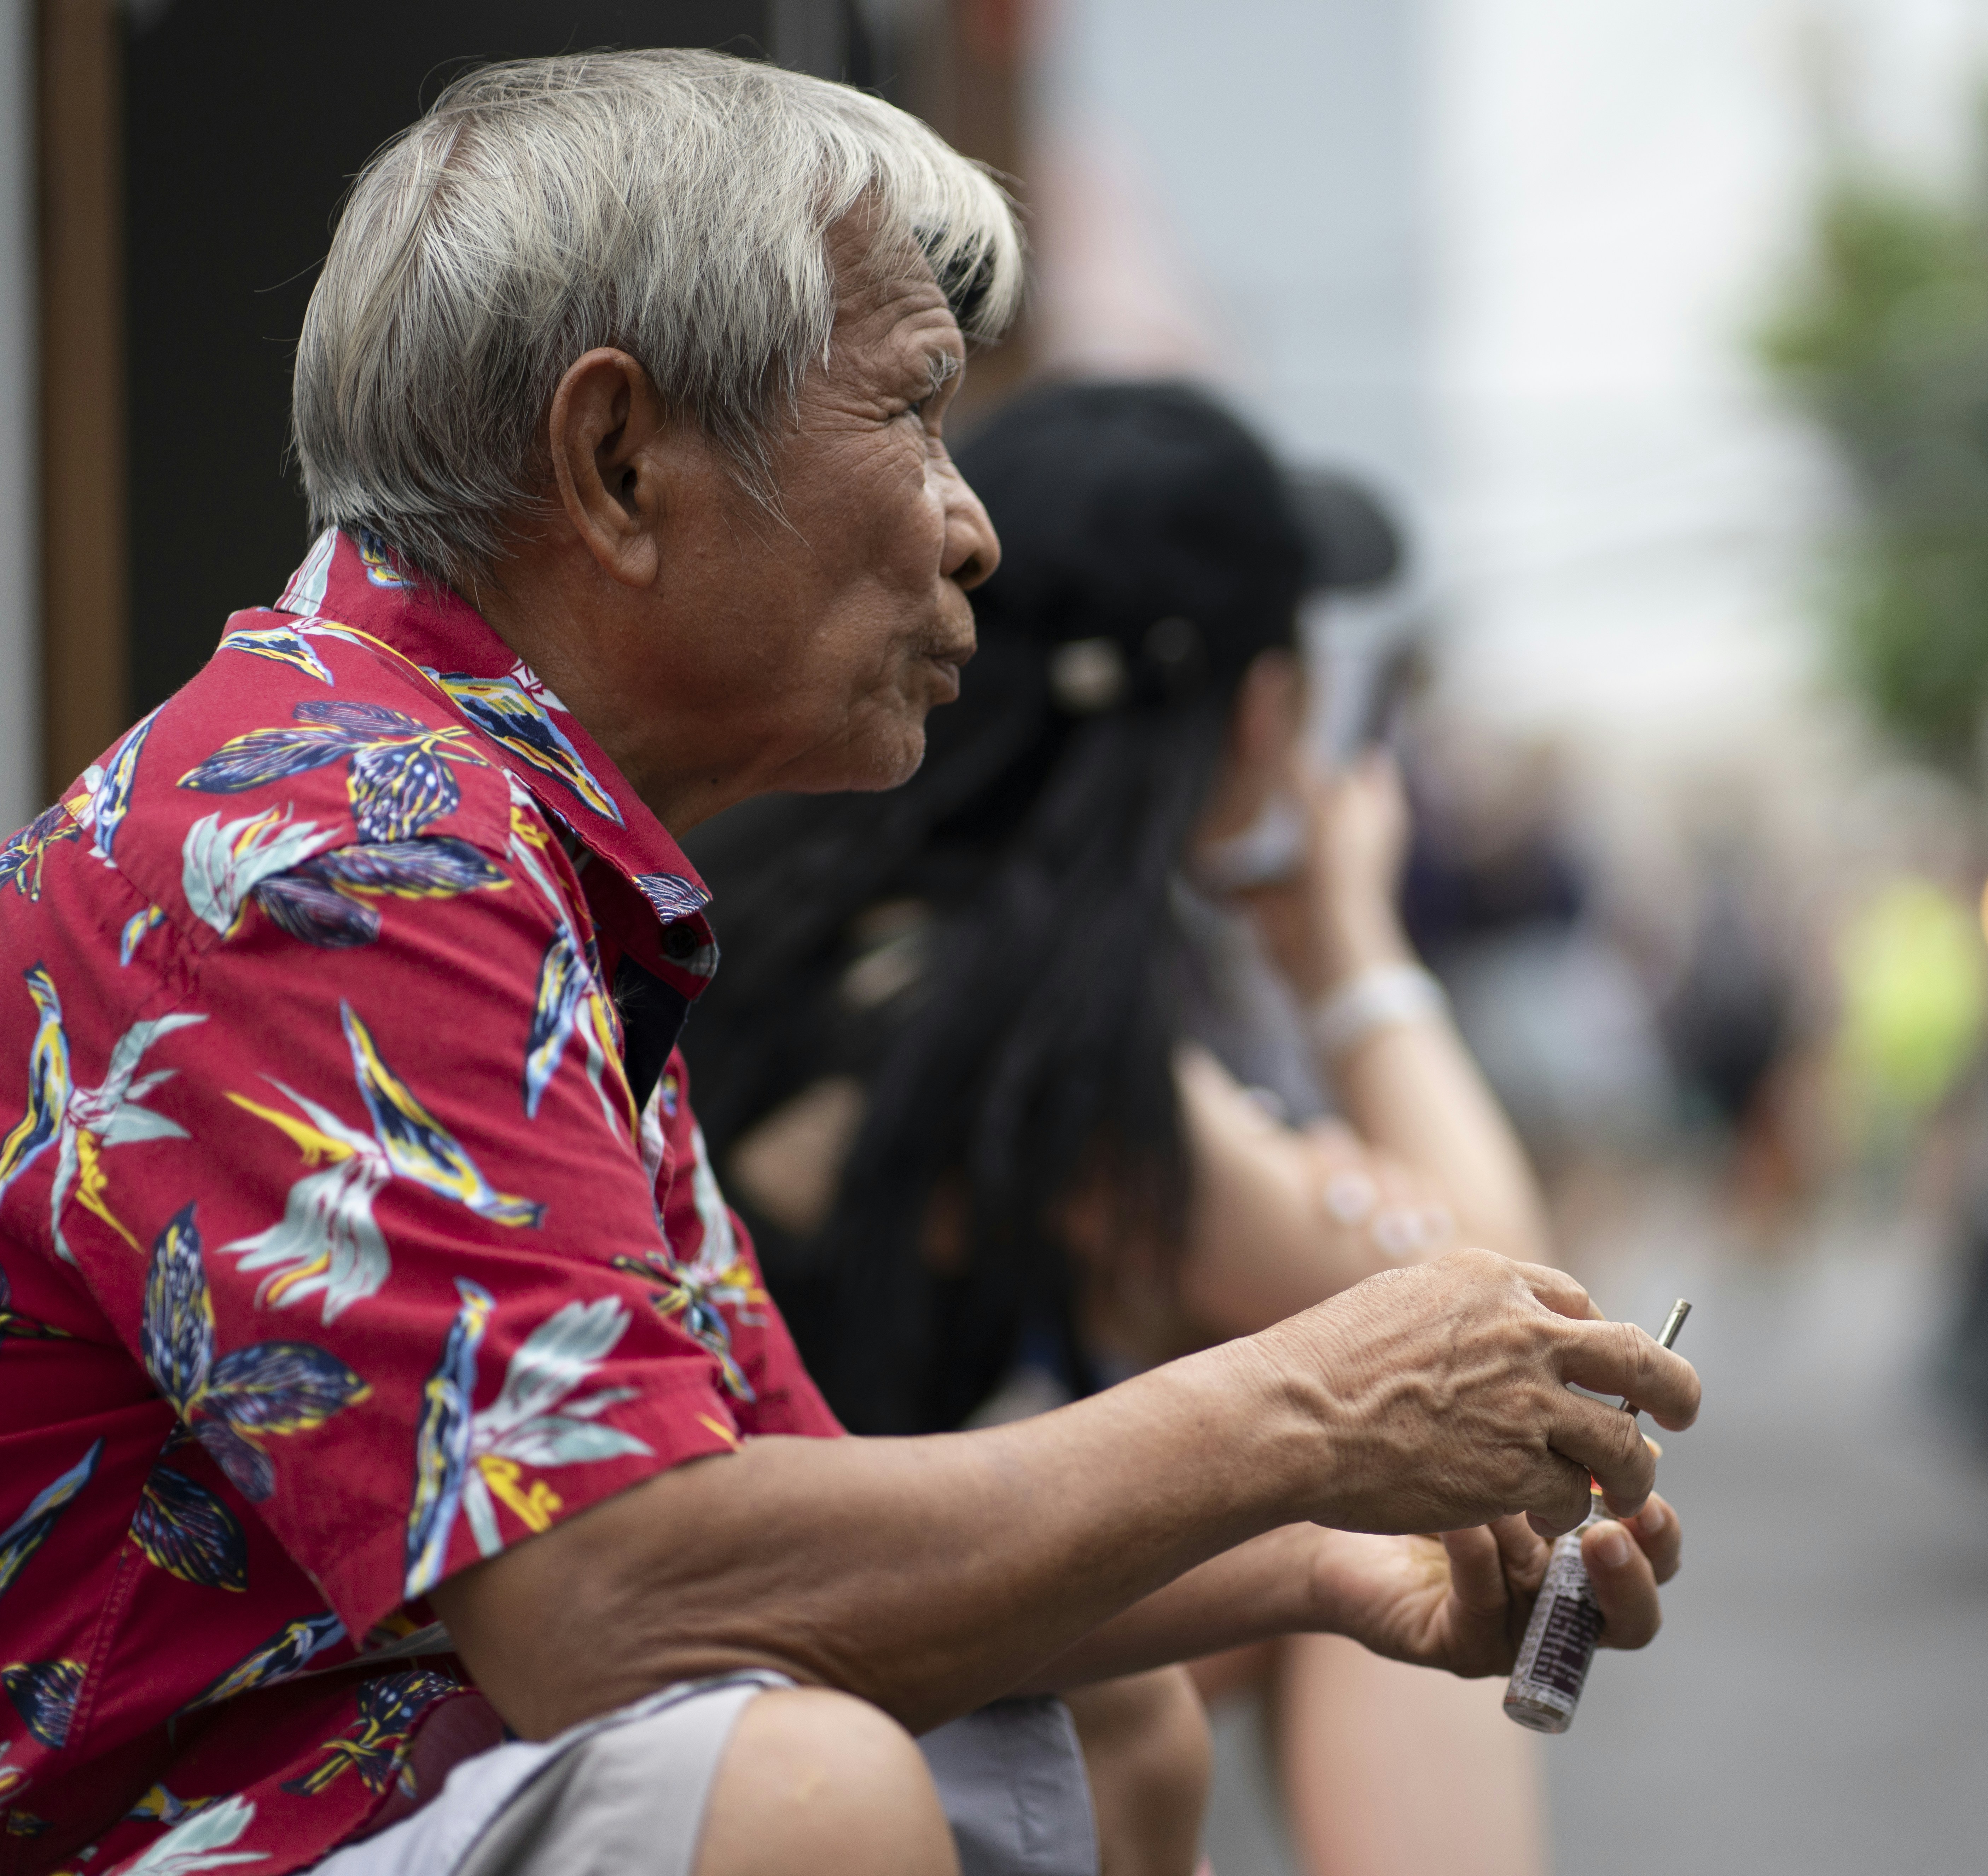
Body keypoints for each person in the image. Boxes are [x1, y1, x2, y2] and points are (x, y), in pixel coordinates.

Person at [0, 51, 1696, 1876]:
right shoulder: (330, 844)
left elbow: (758, 1494)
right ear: (619, 461)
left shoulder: (521, 856)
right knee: (807, 1795)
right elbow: (617, 1605)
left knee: (1090, 1710)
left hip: (375, 1774)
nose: (971, 524)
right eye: (913, 413)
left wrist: (1319, 1558)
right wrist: (1304, 1416)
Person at [679, 380, 1555, 1876]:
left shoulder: (817, 911)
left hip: (783, 1645)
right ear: (1261, 707)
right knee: (1403, 1525)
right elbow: (1492, 1312)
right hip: (807, 1687)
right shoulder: (1012, 1027)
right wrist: (1347, 948)